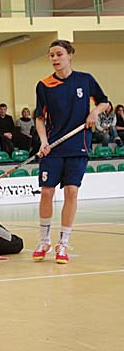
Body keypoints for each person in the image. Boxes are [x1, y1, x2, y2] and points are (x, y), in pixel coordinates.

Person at [33, 39, 109, 264]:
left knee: (71, 192)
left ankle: (63, 243)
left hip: (78, 145)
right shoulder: (44, 85)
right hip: (54, 146)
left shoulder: (85, 80)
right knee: (47, 192)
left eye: (59, 54)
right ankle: (44, 240)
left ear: (70, 55)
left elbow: (105, 102)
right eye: (51, 55)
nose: (55, 59)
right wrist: (43, 142)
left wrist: (94, 112)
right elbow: (39, 118)